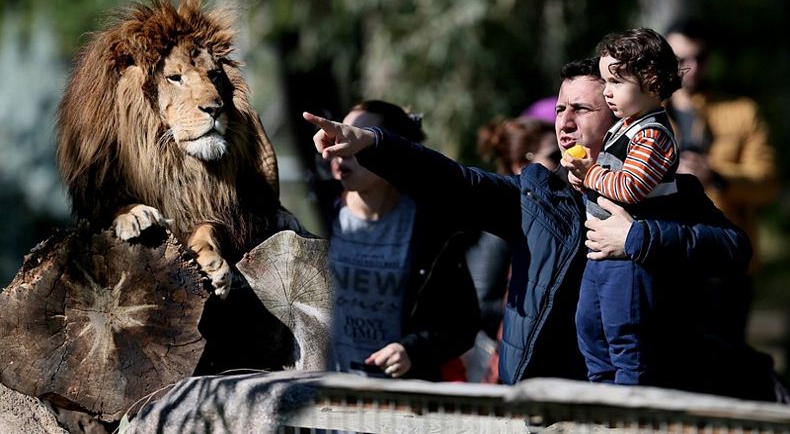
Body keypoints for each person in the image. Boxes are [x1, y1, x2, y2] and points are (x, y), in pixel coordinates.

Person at [302, 60, 782, 400]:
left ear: (620, 118)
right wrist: (373, 144)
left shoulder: (669, 193)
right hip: (545, 406)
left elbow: (733, 250)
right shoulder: (534, 197)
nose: (565, 123)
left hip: (643, 404)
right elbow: (454, 180)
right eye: (560, 110)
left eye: (583, 110)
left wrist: (638, 238)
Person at [325, 100, 480, 381]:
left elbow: (462, 324)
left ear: (390, 151)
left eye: (357, 139)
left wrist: (412, 351)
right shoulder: (324, 219)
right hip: (330, 399)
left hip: (404, 404)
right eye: (340, 136)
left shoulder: (432, 229)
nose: (342, 148)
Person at [561, 28, 683, 385]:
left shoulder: (653, 134)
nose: (607, 91)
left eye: (616, 81)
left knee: (625, 336)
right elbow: (607, 179)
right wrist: (581, 176)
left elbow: (630, 187)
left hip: (629, 262)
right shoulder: (625, 127)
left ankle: (628, 407)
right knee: (589, 326)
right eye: (605, 81)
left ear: (652, 82)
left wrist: (591, 173)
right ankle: (602, 397)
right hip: (600, 253)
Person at [665, 20, 778, 341]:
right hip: (664, 253)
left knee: (725, 362)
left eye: (699, 57)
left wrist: (715, 174)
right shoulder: (647, 112)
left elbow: (767, 182)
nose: (692, 67)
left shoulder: (742, 111)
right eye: (681, 59)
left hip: (725, 258)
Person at [467, 116, 559, 383]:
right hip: (500, 375)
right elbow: (481, 303)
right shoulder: (506, 222)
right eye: (554, 156)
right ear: (523, 166)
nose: (564, 163)